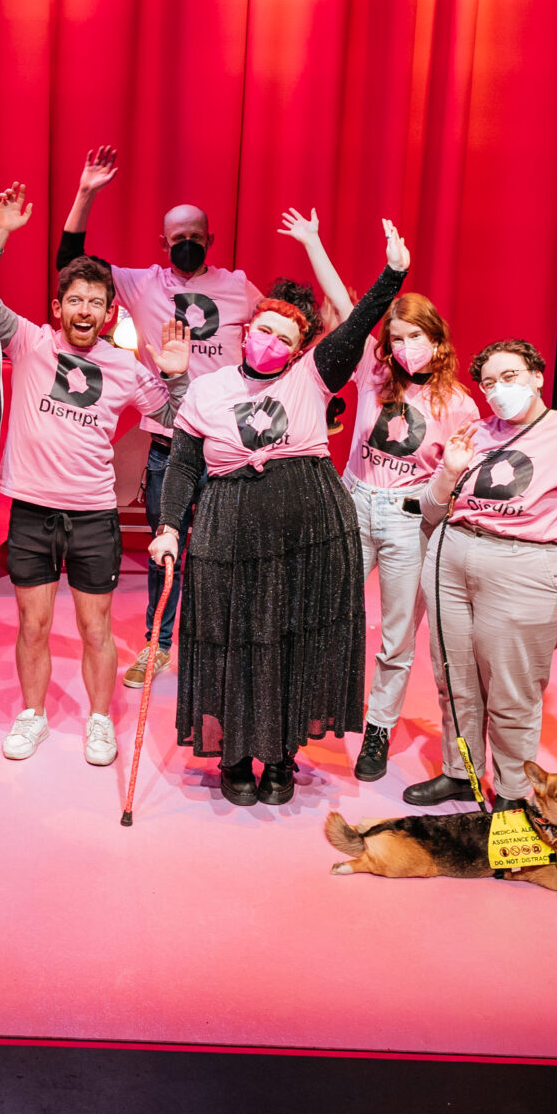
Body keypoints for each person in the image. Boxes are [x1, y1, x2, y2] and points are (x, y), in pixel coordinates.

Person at [55, 149, 345, 687]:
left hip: (235, 450)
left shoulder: (239, 287)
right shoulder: (142, 285)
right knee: (171, 550)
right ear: (162, 244)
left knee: (230, 558)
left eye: (196, 234)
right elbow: (69, 261)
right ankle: (157, 645)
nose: (186, 242)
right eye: (176, 236)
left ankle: (223, 650)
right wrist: (86, 193)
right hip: (173, 445)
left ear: (209, 240)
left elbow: (281, 335)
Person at [146, 224, 410, 806]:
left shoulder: (313, 376)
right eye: (263, 329)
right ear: (247, 334)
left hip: (309, 534)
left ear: (297, 347)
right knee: (233, 640)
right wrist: (168, 528)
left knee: (293, 642)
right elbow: (186, 466)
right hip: (227, 530)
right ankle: (236, 753)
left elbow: (360, 322)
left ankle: (284, 757)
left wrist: (392, 274)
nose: (270, 340)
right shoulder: (207, 390)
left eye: (283, 336)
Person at [0, 182, 192, 767]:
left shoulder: (124, 368)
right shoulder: (28, 342)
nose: (85, 311)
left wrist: (175, 376)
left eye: (96, 303)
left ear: (108, 312)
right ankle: (33, 715)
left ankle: (99, 722)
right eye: (75, 300)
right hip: (32, 508)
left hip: (94, 513)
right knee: (33, 624)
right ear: (58, 306)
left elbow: (177, 420)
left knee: (98, 629)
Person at [408, 339, 557, 810]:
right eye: (488, 383)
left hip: (524, 567)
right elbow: (432, 510)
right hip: (451, 558)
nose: (497, 390)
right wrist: (449, 472)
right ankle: (461, 773)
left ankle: (514, 792)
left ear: (537, 376)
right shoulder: (473, 431)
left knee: (512, 691)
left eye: (509, 377)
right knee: (455, 681)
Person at [341, 291, 483, 784]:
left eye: (415, 337)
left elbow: (454, 483)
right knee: (328, 613)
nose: (404, 348)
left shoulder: (460, 405)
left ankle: (377, 729)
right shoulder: (374, 374)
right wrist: (313, 243)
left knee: (397, 636)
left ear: (438, 339)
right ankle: (321, 708)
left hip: (410, 521)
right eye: (396, 338)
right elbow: (348, 307)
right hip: (354, 505)